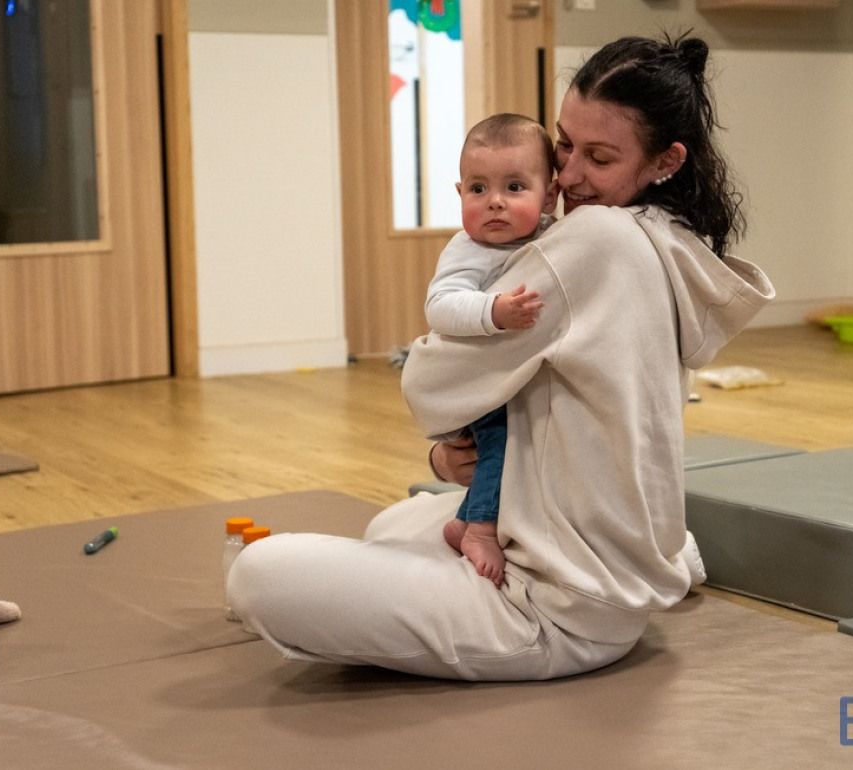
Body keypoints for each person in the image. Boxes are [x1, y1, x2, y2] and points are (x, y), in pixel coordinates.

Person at [228, 33, 775, 681]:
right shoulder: (669, 242)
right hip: (604, 562)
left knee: (257, 575)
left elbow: (431, 384)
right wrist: (452, 454)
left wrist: (450, 392)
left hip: (554, 609)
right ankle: (664, 558)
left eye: (598, 157)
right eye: (564, 145)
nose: (567, 176)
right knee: (398, 523)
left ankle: (575, 596)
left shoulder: (594, 239)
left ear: (665, 161)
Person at [425, 113, 558, 586]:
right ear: (459, 193)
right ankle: (481, 528)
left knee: (519, 444)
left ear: (551, 198)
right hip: (477, 385)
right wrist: (493, 311)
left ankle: (464, 517)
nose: (495, 203)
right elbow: (439, 306)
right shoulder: (469, 250)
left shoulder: (548, 238)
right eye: (478, 189)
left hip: (510, 379)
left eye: (515, 187)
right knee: (503, 440)